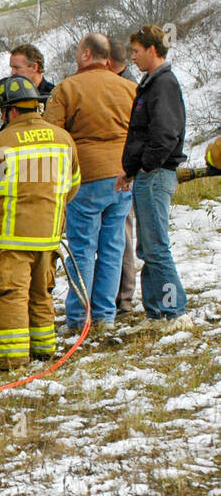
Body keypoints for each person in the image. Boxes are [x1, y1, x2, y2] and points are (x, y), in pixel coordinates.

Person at [0, 76, 81, 371]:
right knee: (40, 293)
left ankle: (13, 361)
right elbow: (72, 186)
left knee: (11, 296)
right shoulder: (62, 138)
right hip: (48, 237)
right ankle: (45, 350)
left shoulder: (2, 142)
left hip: (10, 239)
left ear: (11, 111)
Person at [43, 33, 135, 333]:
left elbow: (52, 136)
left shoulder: (66, 89)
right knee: (112, 247)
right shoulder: (129, 88)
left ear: (85, 54)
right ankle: (104, 316)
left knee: (82, 249)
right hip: (122, 177)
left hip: (85, 178)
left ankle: (77, 318)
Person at [117, 24, 188, 324]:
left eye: (135, 51)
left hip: (157, 175)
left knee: (157, 247)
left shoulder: (164, 84)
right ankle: (156, 312)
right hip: (147, 174)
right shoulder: (151, 83)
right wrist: (132, 170)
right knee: (147, 247)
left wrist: (146, 164)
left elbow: (166, 133)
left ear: (152, 49)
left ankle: (173, 310)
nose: (132, 57)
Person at [108, 40, 140, 314]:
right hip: (122, 169)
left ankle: (123, 297)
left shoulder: (128, 89)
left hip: (122, 171)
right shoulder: (133, 86)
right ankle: (120, 296)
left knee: (123, 235)